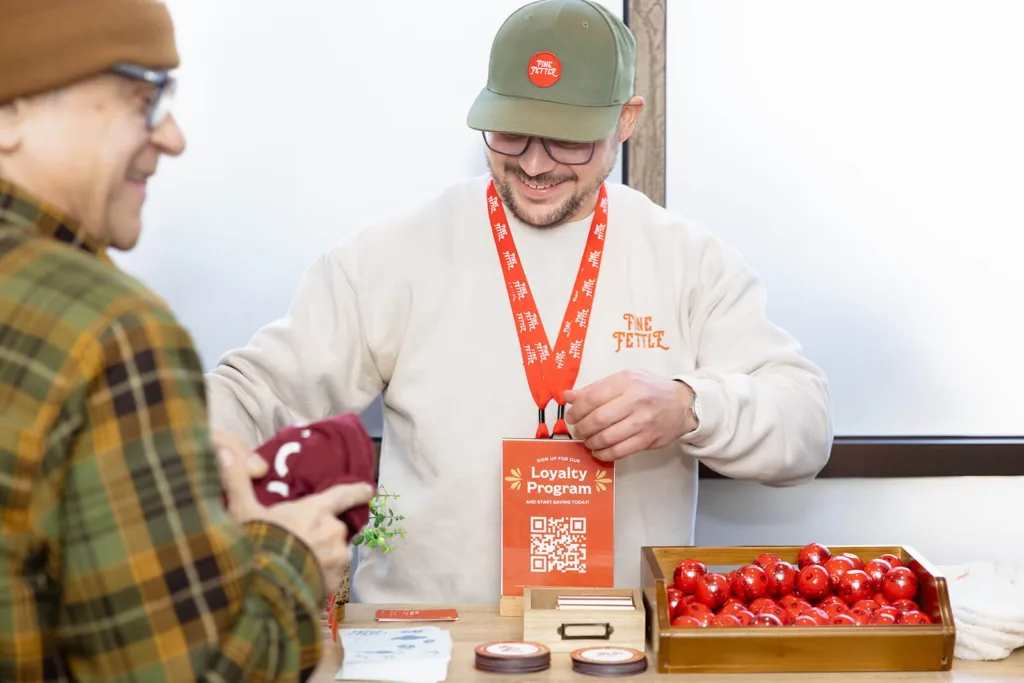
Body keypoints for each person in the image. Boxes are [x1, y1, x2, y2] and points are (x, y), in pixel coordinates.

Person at [206, 0, 833, 604]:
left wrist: (691, 406)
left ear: (627, 118)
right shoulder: (395, 254)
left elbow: (806, 426)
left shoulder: (688, 260)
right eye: (510, 133)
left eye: (568, 141)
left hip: (618, 644)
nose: (534, 164)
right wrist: (187, 449)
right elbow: (256, 390)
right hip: (424, 640)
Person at [0, 1, 373, 680]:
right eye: (141, 100)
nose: (172, 137)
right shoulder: (112, 331)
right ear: (11, 112)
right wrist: (290, 553)